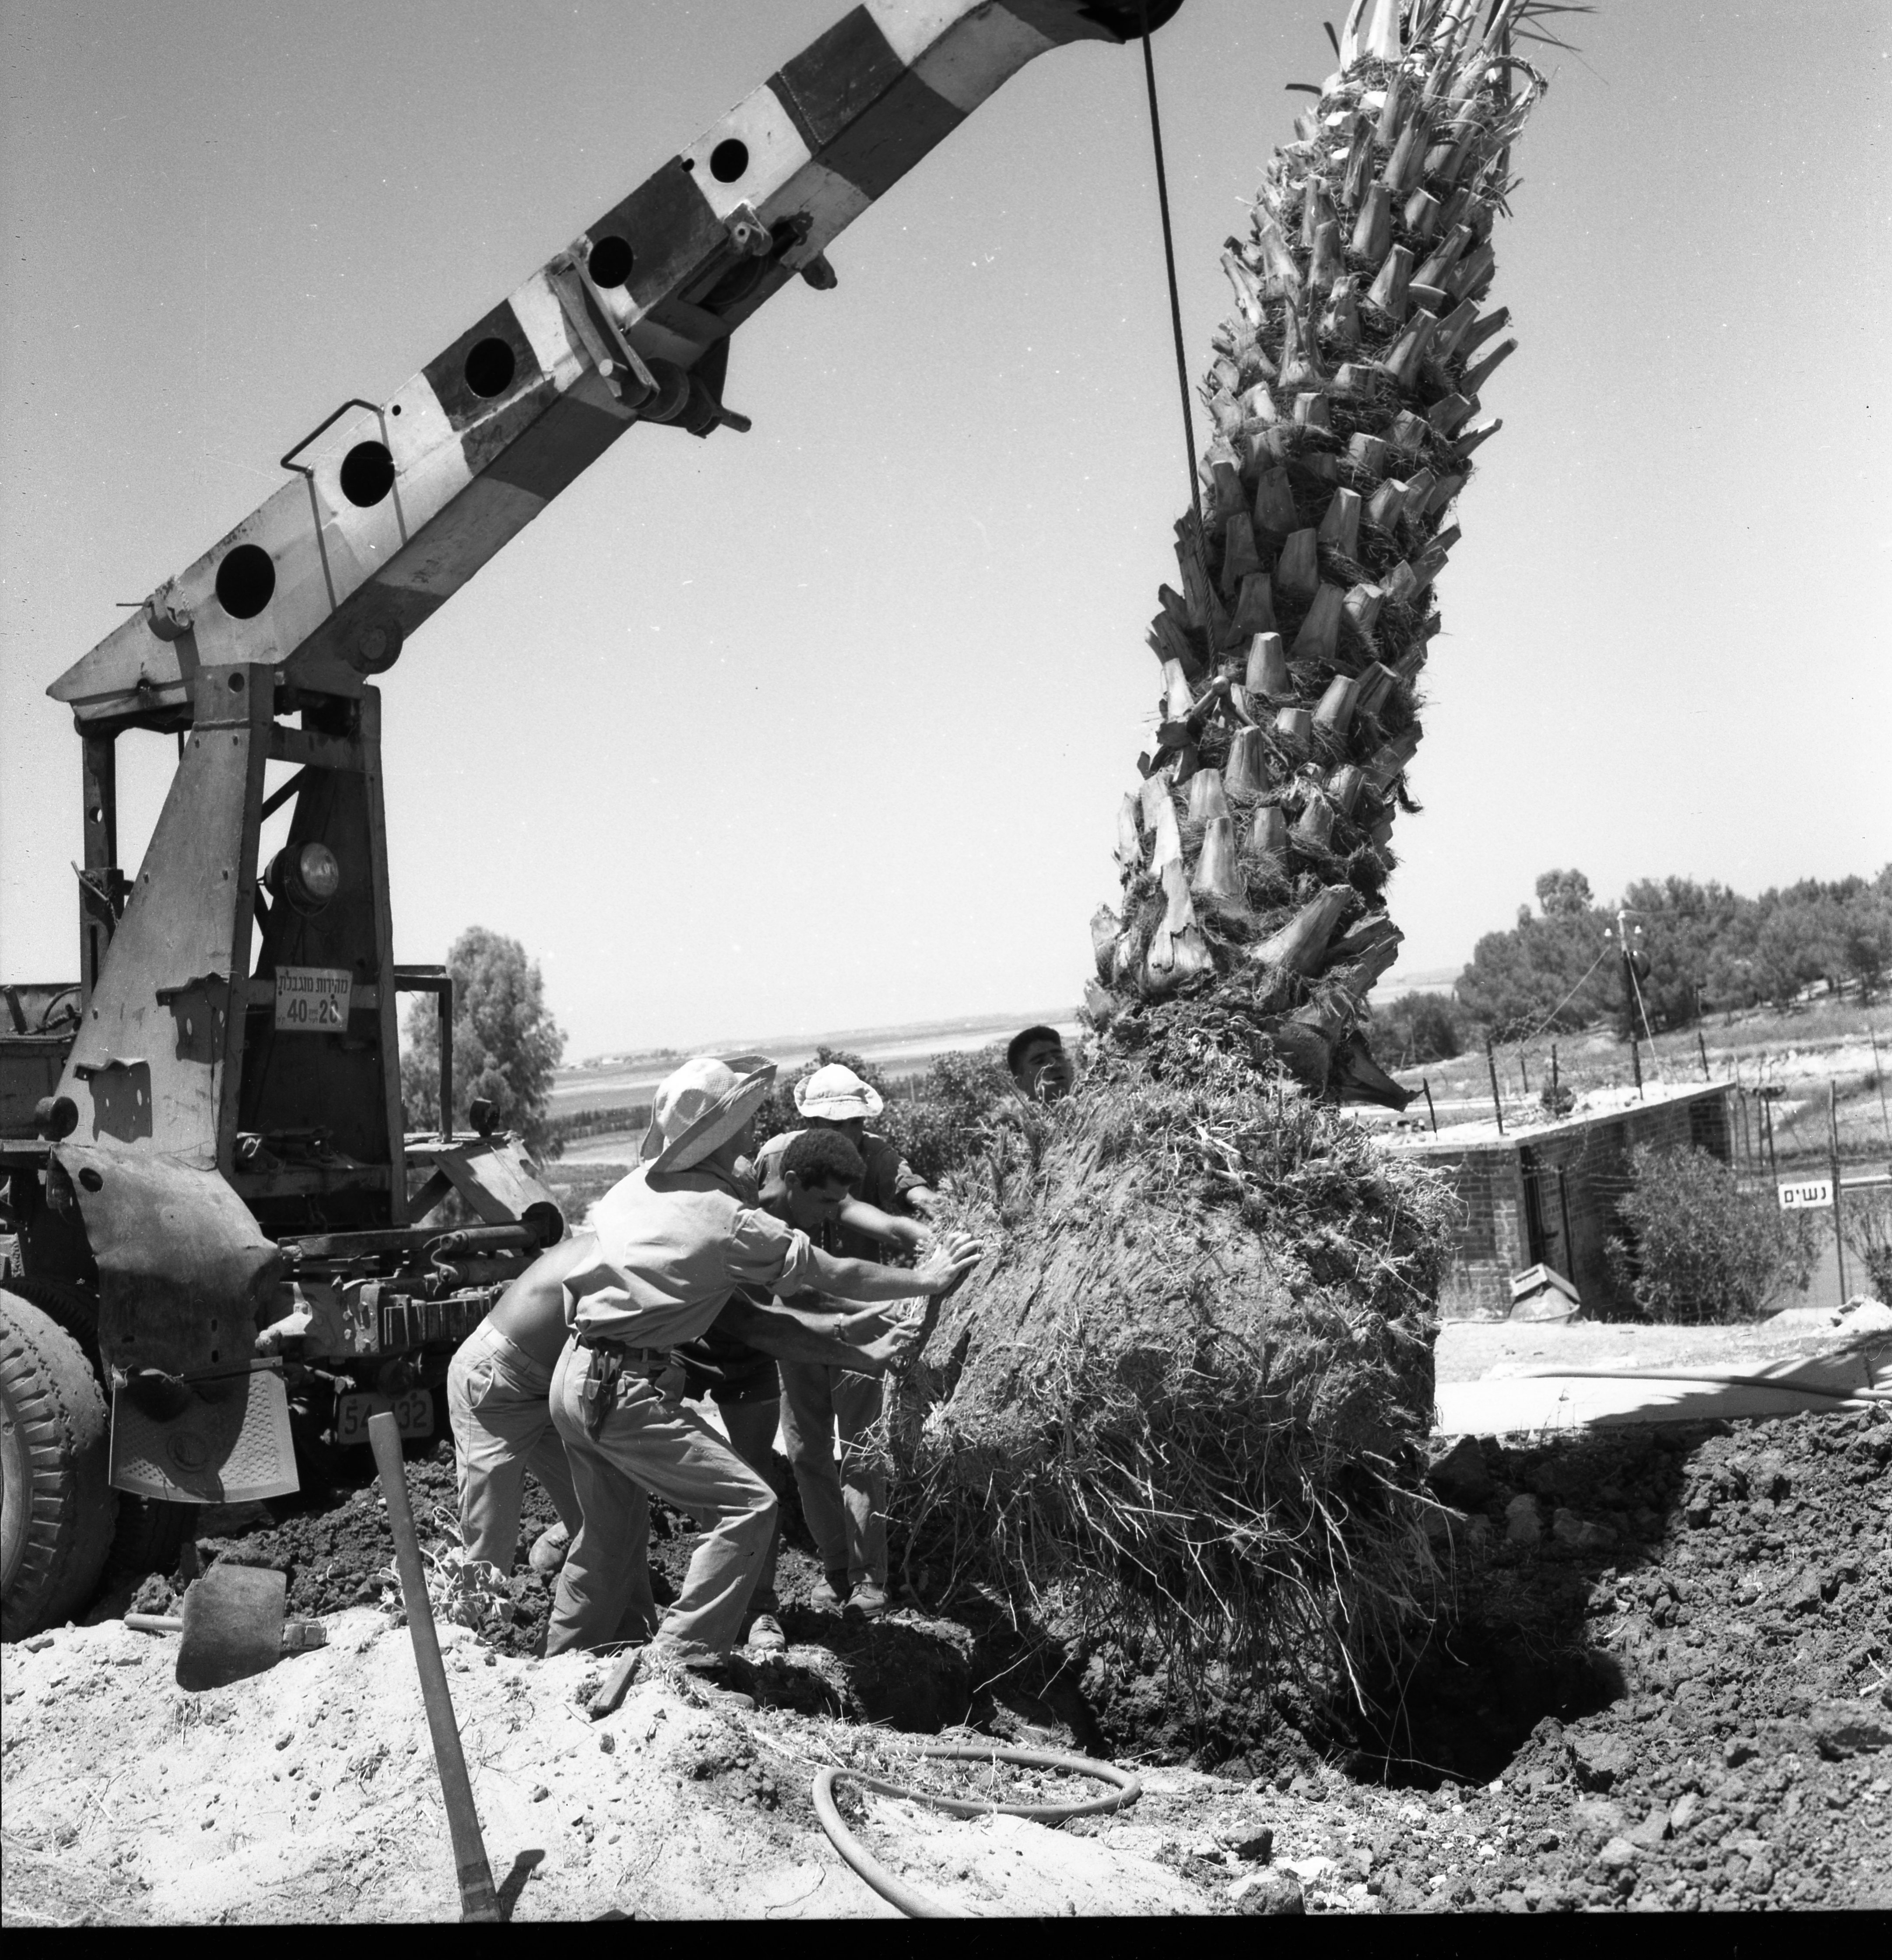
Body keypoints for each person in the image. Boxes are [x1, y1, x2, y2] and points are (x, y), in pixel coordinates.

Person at [542, 1055, 981, 1687]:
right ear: (723, 1138)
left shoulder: (641, 1185)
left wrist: (858, 1342)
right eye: (745, 1126)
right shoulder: (728, 1218)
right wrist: (926, 1279)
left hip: (578, 1371)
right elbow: (830, 1274)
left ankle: (557, 1672)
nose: (754, 1138)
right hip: (622, 1386)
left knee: (607, 1541)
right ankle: (677, 1664)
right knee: (748, 1504)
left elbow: (759, 1321)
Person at [755, 1064, 935, 1619]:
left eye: (852, 1122)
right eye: (828, 1120)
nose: (845, 1131)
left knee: (862, 1451)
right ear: (804, 1118)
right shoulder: (775, 1156)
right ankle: (835, 1566)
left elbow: (908, 1197)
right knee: (808, 1449)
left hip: (859, 1318)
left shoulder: (875, 1156)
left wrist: (940, 1213)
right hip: (793, 1321)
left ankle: (868, 1579)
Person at [446, 1248, 587, 1578]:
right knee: (487, 1543)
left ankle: (618, 1619)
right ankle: (458, 1625)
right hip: (499, 1382)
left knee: (599, 1512)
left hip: (556, 1382)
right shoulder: (625, 1249)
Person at [1007, 1024, 1074, 1102]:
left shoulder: (1089, 1108)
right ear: (1020, 1083)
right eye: (1040, 1062)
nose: (1056, 1065)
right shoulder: (1020, 1115)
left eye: (1058, 1057)